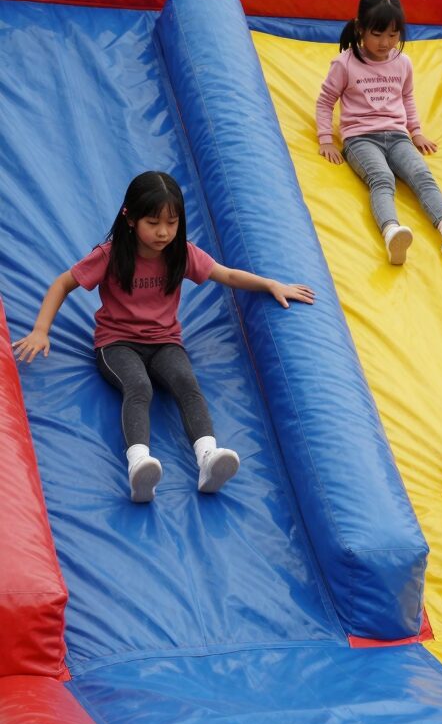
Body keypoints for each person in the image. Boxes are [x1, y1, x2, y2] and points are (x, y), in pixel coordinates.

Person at [13, 171, 315, 502]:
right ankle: (139, 464)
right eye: (154, 222)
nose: (163, 232)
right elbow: (62, 284)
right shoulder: (111, 255)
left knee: (187, 384)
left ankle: (208, 457)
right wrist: (41, 330)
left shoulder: (180, 253)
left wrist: (271, 284)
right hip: (117, 343)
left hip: (164, 341)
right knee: (138, 387)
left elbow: (225, 274)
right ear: (130, 218)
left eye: (172, 223)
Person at [316, 0, 442, 266]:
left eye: (393, 35)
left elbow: (406, 97)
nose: (385, 43)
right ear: (360, 29)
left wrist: (415, 131)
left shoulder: (402, 63)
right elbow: (325, 102)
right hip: (360, 139)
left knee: (421, 174)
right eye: (377, 34)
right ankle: (392, 232)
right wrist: (325, 138)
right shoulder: (345, 64)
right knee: (382, 178)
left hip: (396, 136)